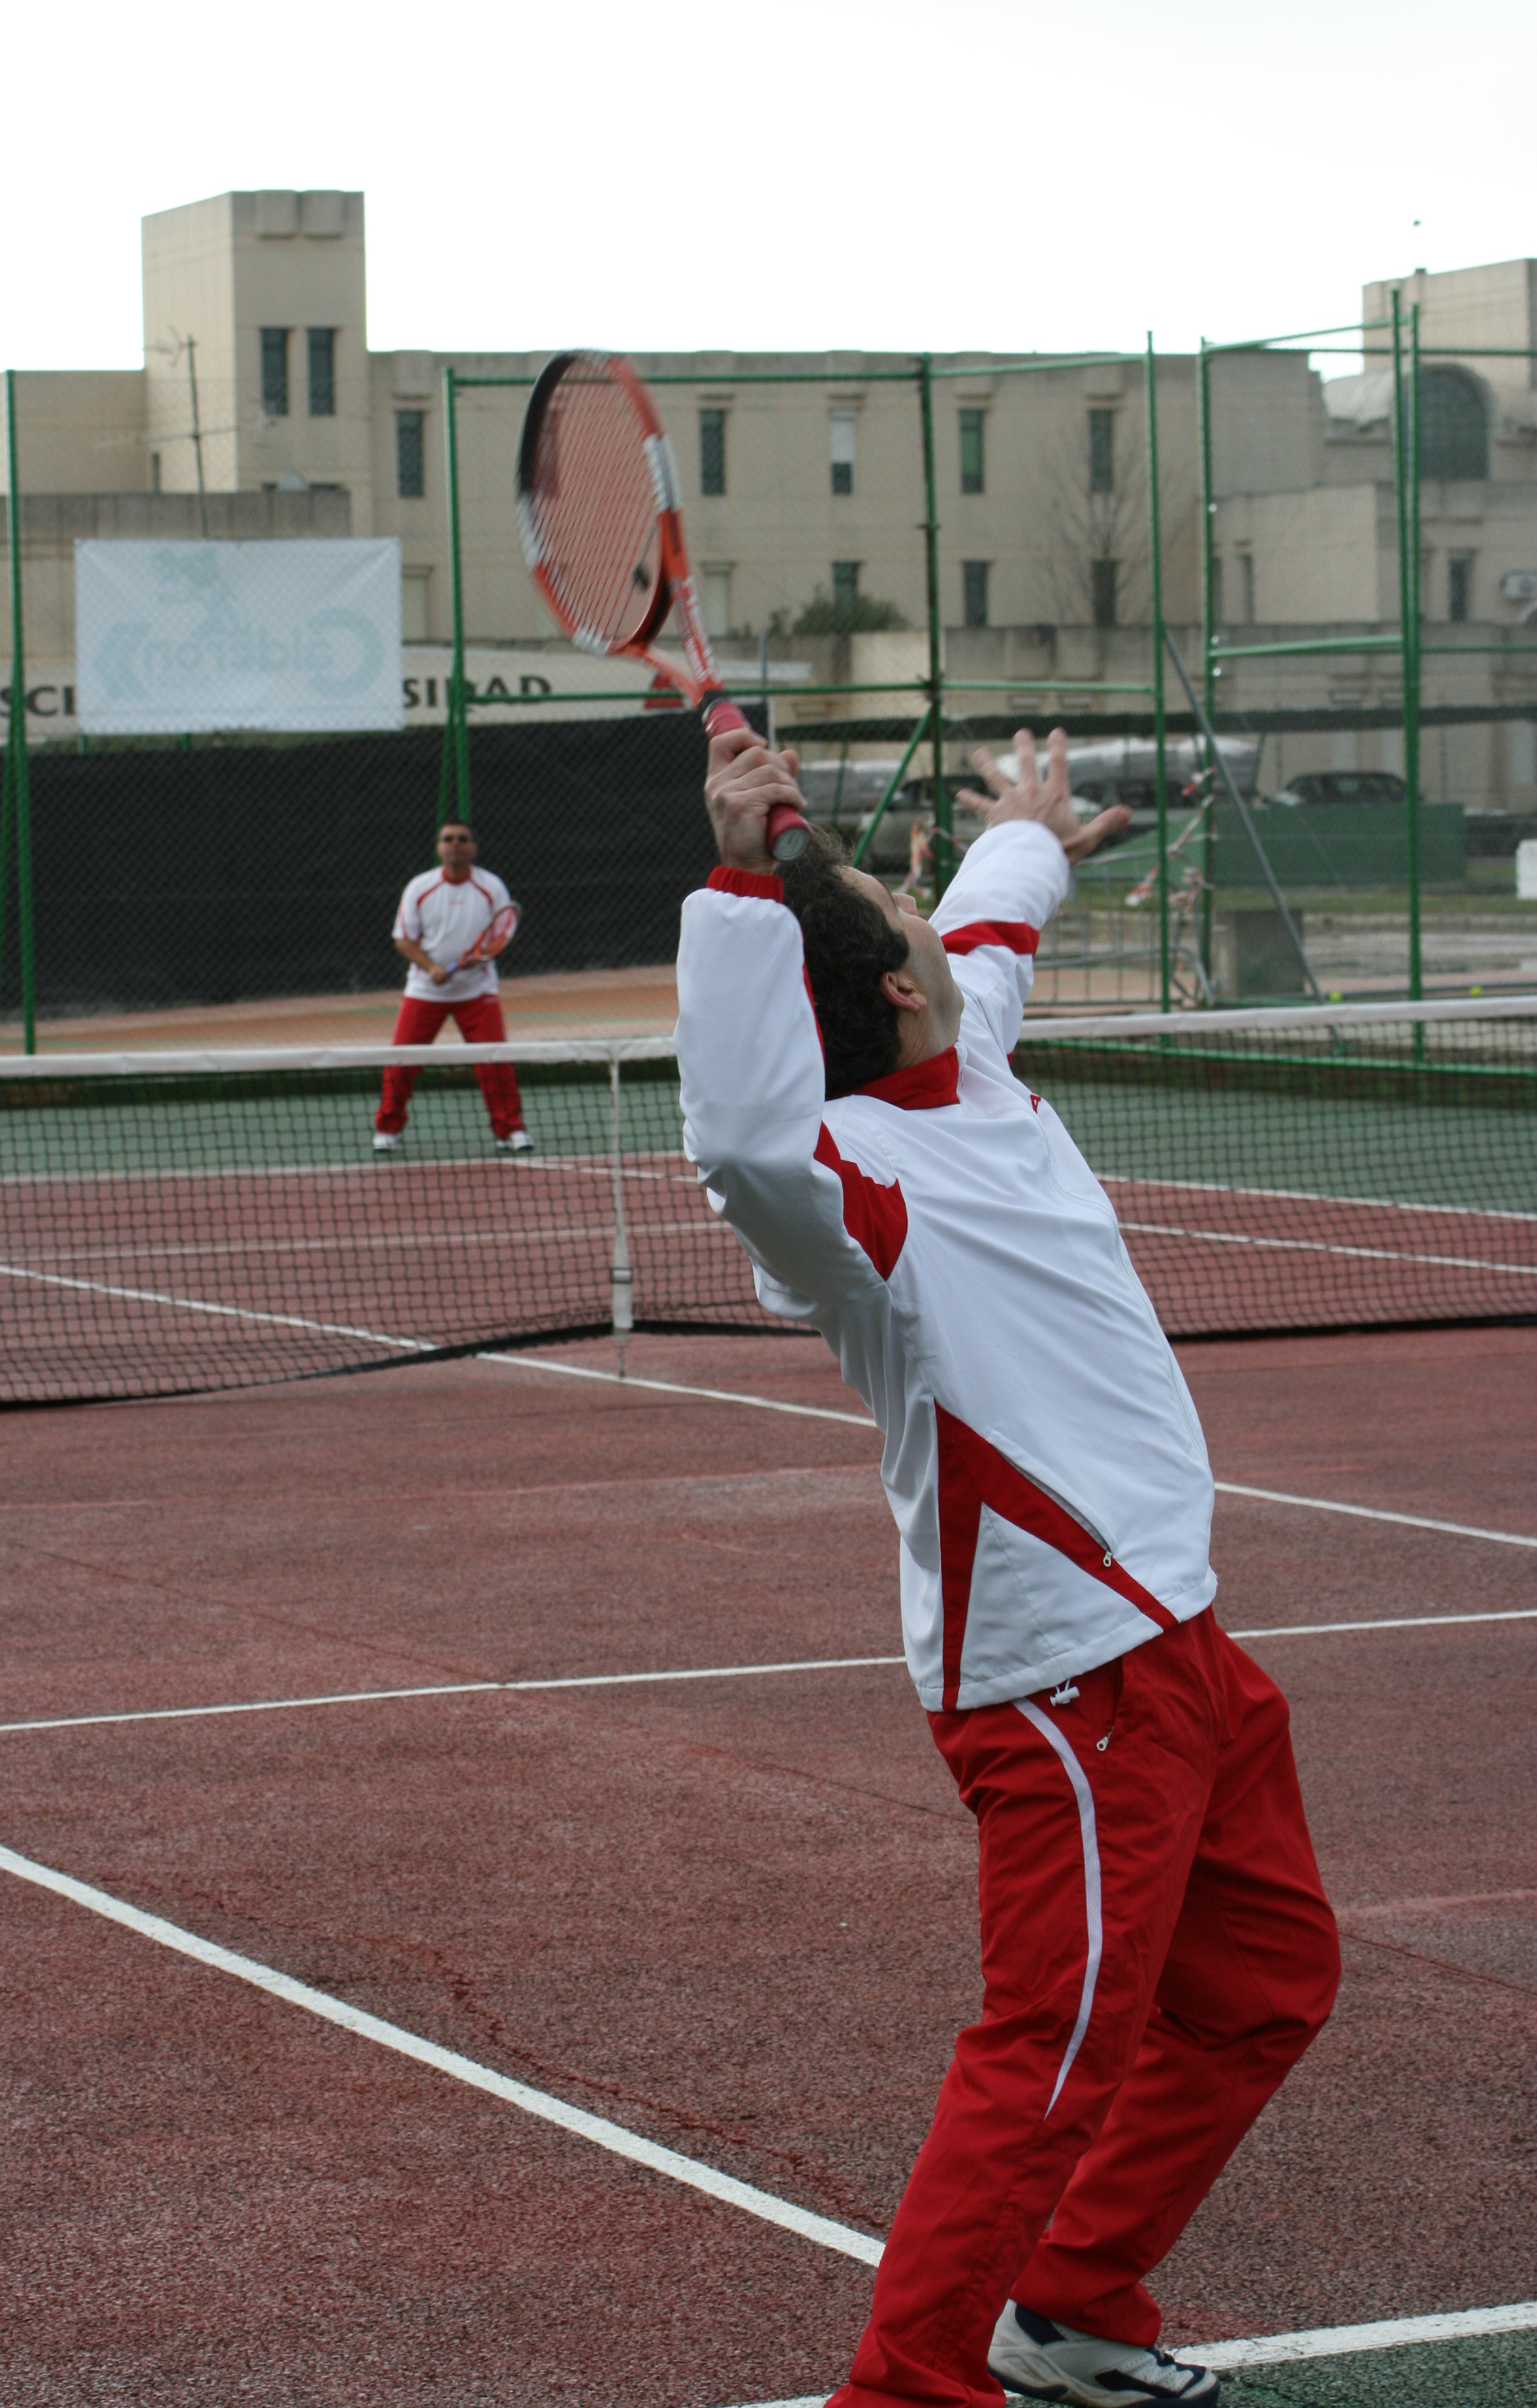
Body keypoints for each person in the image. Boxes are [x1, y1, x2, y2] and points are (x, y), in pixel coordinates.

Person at [676, 725, 1339, 2408]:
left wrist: (1033, 831)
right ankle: (907, 2387)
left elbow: (988, 926)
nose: (930, 914)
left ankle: (1072, 2301)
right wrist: (742, 882)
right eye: (902, 912)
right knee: (1049, 2046)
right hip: (1069, 1673)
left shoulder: (958, 1058)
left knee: (1264, 1985)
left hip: (1180, 1632)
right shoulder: (851, 1194)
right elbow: (742, 1144)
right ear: (897, 994)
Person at [373, 821, 533, 1154]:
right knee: (401, 1060)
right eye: (448, 839)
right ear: (439, 847)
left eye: (463, 839)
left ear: (474, 848)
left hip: (478, 991)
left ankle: (510, 1130)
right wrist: (431, 967)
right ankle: (387, 1129)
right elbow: (403, 939)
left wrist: (481, 957)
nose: (455, 844)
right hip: (425, 991)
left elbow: (503, 936)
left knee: (495, 1062)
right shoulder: (420, 888)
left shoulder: (491, 887)